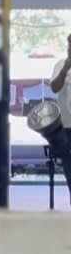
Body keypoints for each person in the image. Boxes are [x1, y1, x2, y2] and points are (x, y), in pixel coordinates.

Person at [49, 35, 71, 195]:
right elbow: (54, 88)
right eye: (69, 45)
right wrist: (65, 69)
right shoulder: (60, 65)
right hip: (67, 128)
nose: (69, 48)